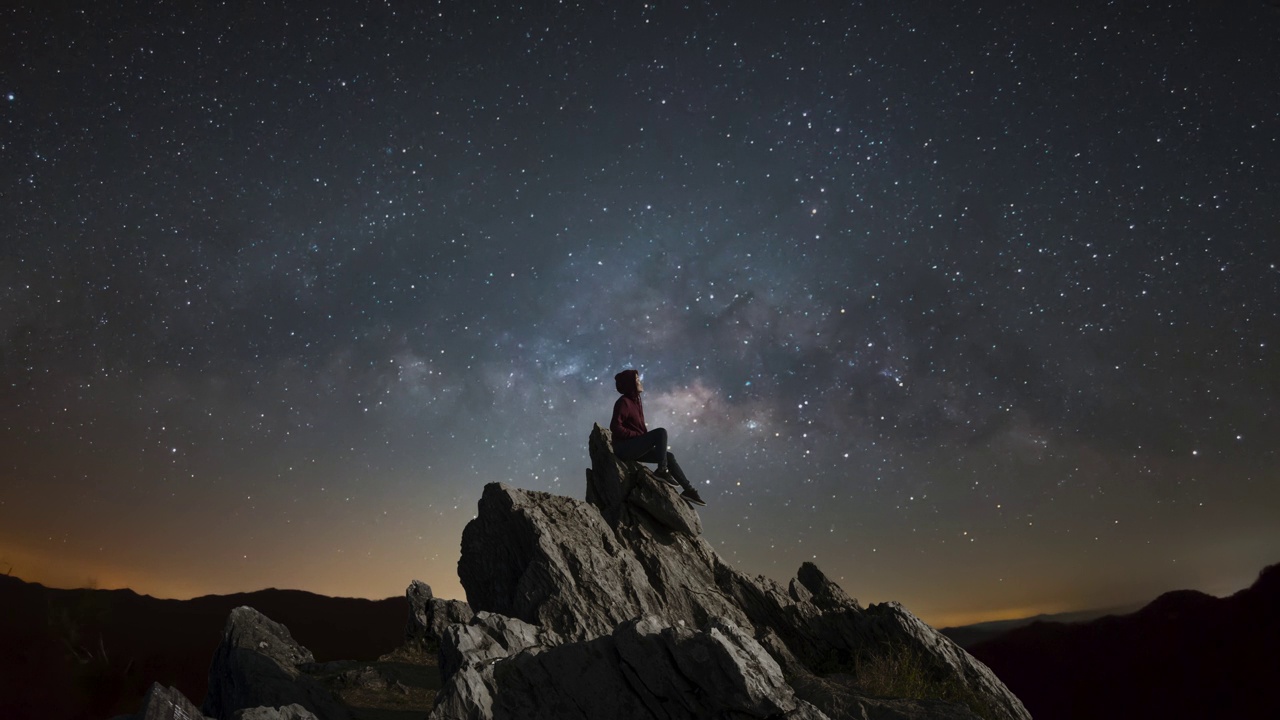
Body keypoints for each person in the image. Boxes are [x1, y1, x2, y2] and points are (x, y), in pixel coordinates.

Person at [609, 369, 706, 506]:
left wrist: (641, 440)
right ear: (630, 383)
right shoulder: (624, 402)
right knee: (661, 432)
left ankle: (689, 491)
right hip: (623, 449)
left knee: (669, 456)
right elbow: (615, 427)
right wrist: (638, 437)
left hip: (633, 447)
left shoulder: (636, 402)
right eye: (636, 380)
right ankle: (661, 471)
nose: (640, 382)